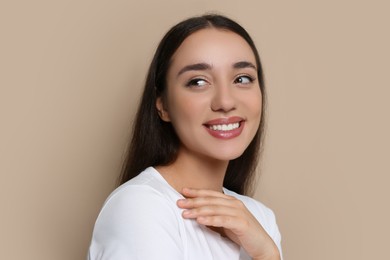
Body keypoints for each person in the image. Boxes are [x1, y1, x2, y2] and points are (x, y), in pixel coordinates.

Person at [88, 14, 282, 260]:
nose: (225, 101)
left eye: (242, 79)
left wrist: (268, 251)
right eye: (198, 81)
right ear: (163, 105)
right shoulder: (141, 207)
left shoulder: (259, 218)